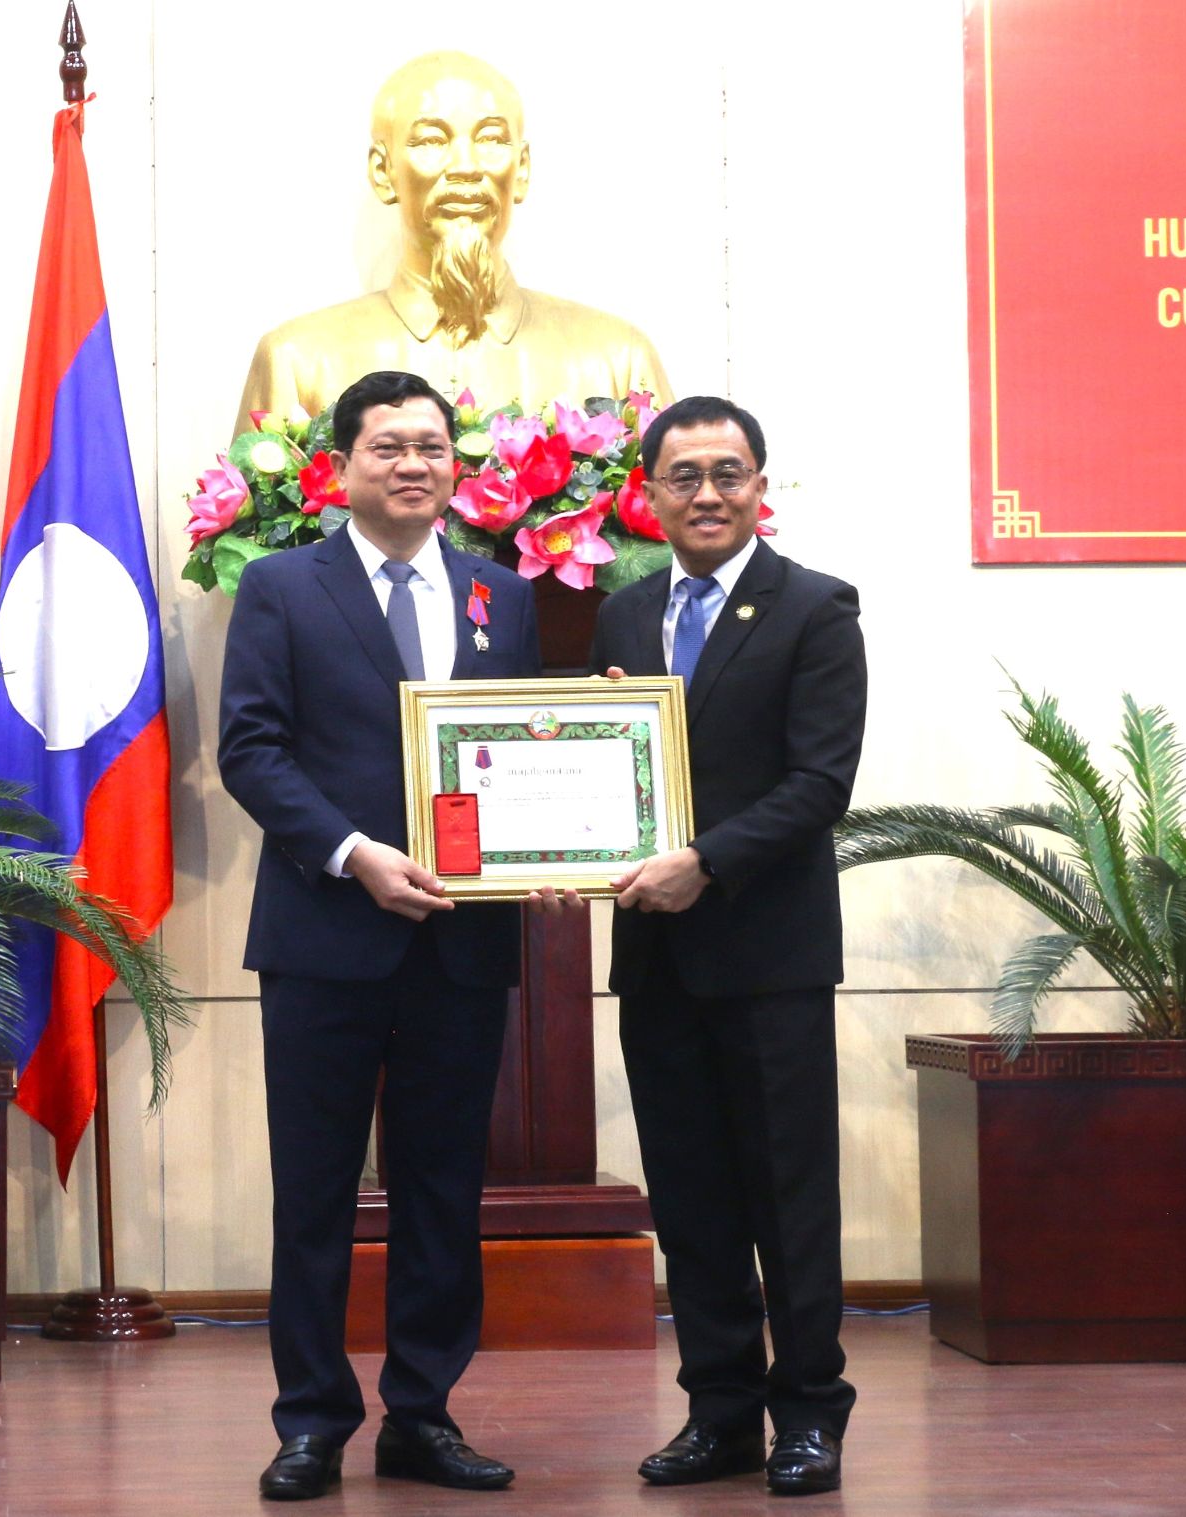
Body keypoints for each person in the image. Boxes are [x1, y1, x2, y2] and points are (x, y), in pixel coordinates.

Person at [217, 370, 541, 1501]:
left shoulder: (503, 592)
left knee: (442, 1186)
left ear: (456, 466)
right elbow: (250, 750)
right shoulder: (279, 587)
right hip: (324, 934)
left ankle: (423, 1412)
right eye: (387, 445)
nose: (413, 463)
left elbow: (517, 748)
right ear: (342, 466)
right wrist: (357, 853)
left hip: (459, 942)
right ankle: (309, 1419)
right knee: (313, 1190)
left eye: (432, 446)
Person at [588, 395, 867, 1496]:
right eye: (683, 474)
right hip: (655, 954)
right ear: (647, 492)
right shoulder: (622, 614)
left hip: (768, 952)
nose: (706, 492)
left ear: (760, 486)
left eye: (727, 472)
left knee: (787, 1195)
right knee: (690, 1193)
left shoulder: (812, 609)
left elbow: (818, 782)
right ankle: (719, 1410)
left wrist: (703, 857)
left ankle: (808, 1411)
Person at [235, 51, 671, 431]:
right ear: (383, 172)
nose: (465, 166)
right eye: (431, 140)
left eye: (490, 140)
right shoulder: (298, 362)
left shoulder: (617, 360)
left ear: (521, 170)